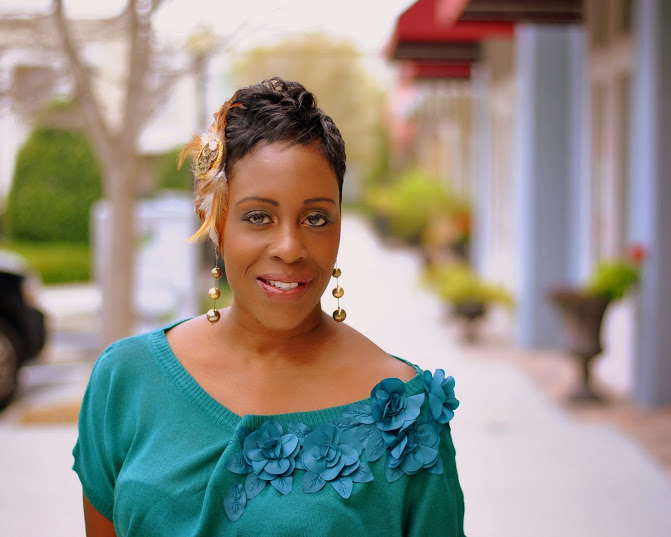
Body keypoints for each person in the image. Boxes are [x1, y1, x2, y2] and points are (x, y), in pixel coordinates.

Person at [72, 77, 465, 536]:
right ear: (214, 220)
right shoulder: (127, 380)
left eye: (316, 218)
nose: (290, 248)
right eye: (259, 217)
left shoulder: (406, 413)